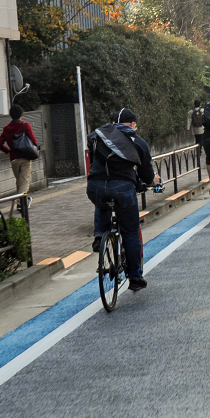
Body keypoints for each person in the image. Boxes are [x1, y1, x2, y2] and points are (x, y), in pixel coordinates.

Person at [86, 108, 161, 292]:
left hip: (94, 186)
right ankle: (135, 276)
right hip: (123, 189)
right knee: (130, 231)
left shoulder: (100, 136)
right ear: (133, 124)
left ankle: (99, 236)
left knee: (102, 202)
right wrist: (153, 182)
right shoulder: (138, 142)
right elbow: (146, 173)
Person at [0, 104, 39, 206]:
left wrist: (8, 151)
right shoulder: (25, 125)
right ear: (21, 114)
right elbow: (34, 142)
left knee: (19, 182)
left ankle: (23, 200)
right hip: (25, 157)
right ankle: (21, 204)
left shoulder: (6, 128)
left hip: (14, 159)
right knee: (24, 182)